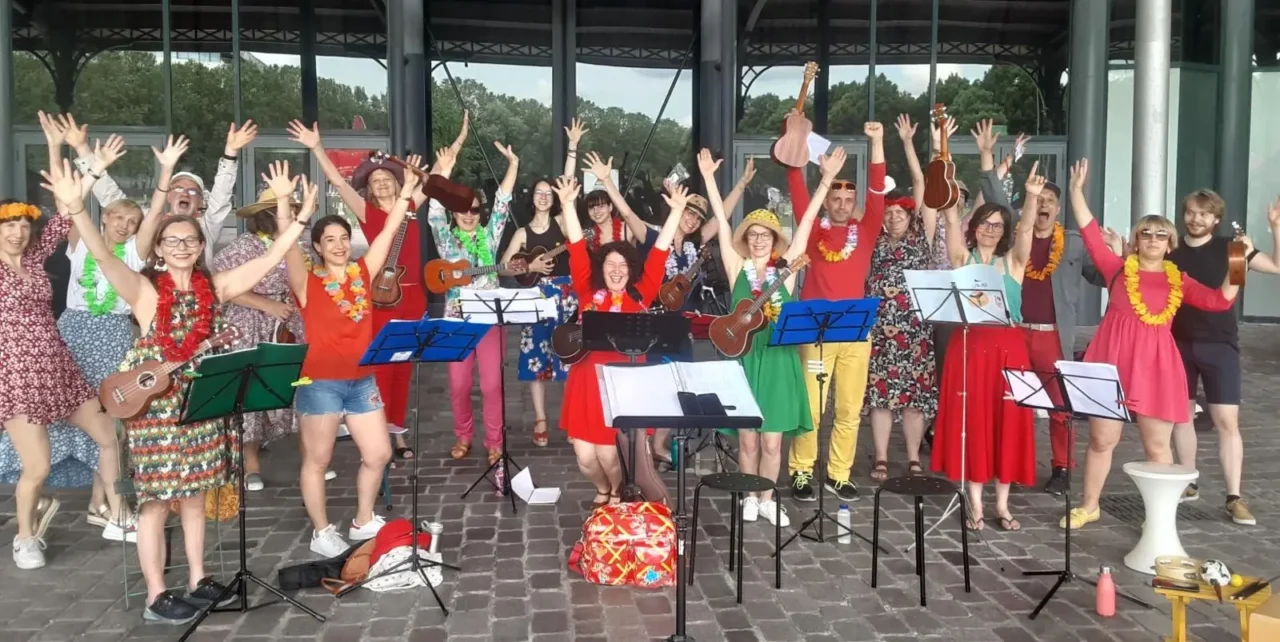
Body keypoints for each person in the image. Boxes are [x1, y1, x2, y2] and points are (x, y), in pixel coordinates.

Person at [48, 155, 316, 623]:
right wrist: (75, 210)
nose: (181, 246)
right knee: (156, 504)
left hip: (201, 402)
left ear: (199, 245)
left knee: (195, 496)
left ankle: (197, 579)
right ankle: (156, 595)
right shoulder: (145, 290)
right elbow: (105, 256)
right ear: (158, 249)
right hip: (155, 411)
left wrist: (294, 215)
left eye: (189, 240)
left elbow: (272, 257)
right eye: (171, 241)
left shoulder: (215, 287)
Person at [1060, 160, 1239, 531]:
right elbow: (1091, 233)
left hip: (1157, 367)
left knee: (1158, 448)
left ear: (1169, 243)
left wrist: (1237, 262)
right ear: (1137, 240)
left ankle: (1158, 519)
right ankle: (1090, 505)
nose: (1153, 240)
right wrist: (1077, 190)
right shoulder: (1117, 269)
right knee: (1100, 440)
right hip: (1111, 361)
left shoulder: (1181, 280)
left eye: (1160, 235)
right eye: (1146, 234)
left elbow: (1221, 301)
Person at [287, 119, 450, 460]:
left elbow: (432, 184)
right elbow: (335, 181)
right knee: (382, 366)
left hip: (413, 294)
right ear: (371, 189)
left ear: (395, 182)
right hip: (381, 297)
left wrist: (442, 167)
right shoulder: (366, 211)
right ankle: (376, 430)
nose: (382, 185)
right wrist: (317, 147)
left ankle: (398, 434)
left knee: (405, 367)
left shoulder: (409, 207)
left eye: (386, 179)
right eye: (375, 182)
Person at [699, 146, 844, 527]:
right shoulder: (736, 268)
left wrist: (826, 179)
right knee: (747, 441)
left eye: (766, 235)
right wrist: (711, 180)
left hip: (779, 361)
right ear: (746, 240)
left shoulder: (787, 270)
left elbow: (808, 223)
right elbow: (721, 220)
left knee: (772, 442)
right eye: (754, 235)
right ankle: (749, 495)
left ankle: (767, 496)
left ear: (775, 240)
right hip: (745, 361)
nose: (760, 240)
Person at [278, 161, 416, 558]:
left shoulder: (362, 272)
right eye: (330, 240)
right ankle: (321, 531)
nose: (338, 245)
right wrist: (288, 204)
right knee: (318, 460)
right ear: (317, 247)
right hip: (319, 383)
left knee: (379, 454)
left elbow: (389, 233)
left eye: (344, 237)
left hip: (362, 381)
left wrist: (406, 194)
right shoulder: (307, 281)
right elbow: (288, 245)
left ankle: (362, 520)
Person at [970, 120, 1103, 496]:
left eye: (1050, 201)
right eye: (1039, 198)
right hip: (1014, 332)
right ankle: (1009, 464)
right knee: (1010, 401)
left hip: (1052, 336)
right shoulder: (1017, 235)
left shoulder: (1074, 244)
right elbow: (994, 195)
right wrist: (985, 155)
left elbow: (1104, 276)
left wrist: (1126, 258)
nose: (1043, 205)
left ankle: (1061, 467)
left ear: (1059, 209)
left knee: (1061, 406)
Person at [557, 173, 687, 506]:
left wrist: (675, 212)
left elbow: (658, 253)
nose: (617, 271)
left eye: (623, 266)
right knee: (586, 458)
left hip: (625, 389)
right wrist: (568, 205)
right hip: (586, 384)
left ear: (631, 270)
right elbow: (575, 247)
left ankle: (616, 494)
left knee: (611, 455)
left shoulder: (640, 295)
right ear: (602, 269)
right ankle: (602, 489)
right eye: (610, 265)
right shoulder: (589, 290)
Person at [933, 163, 1049, 532]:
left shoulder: (1012, 262)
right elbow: (950, 222)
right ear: (976, 227)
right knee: (974, 421)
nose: (990, 230)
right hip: (969, 345)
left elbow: (1028, 228)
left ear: (1004, 232)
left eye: (998, 225)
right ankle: (976, 504)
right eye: (985, 223)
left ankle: (1003, 504)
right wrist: (946, 176)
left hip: (1008, 347)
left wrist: (1030, 198)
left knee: (1007, 422)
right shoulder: (961, 258)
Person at [785, 120, 887, 503]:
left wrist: (877, 142)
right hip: (814, 333)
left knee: (848, 409)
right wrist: (796, 143)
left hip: (856, 335)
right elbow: (796, 183)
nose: (843, 206)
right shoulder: (812, 230)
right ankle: (801, 471)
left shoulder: (867, 229)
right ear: (827, 202)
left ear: (855, 205)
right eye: (836, 200)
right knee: (810, 409)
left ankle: (839, 473)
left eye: (849, 201)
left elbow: (878, 187)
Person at [1166, 190, 1280, 525]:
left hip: (1220, 343)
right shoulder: (1171, 249)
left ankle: (1234, 496)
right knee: (1181, 416)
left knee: (1227, 422)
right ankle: (1188, 482)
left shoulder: (1233, 248)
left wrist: (1275, 227)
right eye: (1190, 212)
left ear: (1216, 219)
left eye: (1204, 214)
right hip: (1177, 342)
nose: (1195, 219)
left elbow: (1275, 266)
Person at [426, 142, 519, 464]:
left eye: (475, 209)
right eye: (462, 209)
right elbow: (434, 211)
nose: (468, 214)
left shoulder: (490, 236)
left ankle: (495, 441)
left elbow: (503, 204)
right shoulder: (446, 239)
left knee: (493, 386)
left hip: (489, 319)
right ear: (455, 212)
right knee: (459, 385)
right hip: (455, 322)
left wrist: (513, 165)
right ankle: (463, 436)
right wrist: (445, 171)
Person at [210, 188, 307, 492]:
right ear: (263, 216)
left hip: (286, 322)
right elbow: (221, 288)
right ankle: (250, 463)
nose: (286, 216)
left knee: (297, 387)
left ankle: (312, 461)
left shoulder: (297, 245)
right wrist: (268, 305)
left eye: (291, 211)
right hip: (248, 322)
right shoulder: (243, 246)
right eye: (281, 211)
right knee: (249, 392)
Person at [64, 113, 255, 263]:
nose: (185, 193)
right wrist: (82, 149)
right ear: (168, 196)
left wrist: (231, 153)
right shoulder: (148, 219)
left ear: (200, 202)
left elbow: (221, 195)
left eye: (193, 191)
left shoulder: (207, 226)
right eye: (178, 188)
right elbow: (110, 195)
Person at [499, 119, 587, 447]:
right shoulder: (522, 232)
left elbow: (568, 182)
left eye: (548, 193)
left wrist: (573, 147)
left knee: (569, 355)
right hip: (534, 299)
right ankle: (540, 418)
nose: (544, 197)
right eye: (538, 193)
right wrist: (530, 265)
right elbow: (505, 269)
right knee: (536, 358)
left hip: (565, 296)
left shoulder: (564, 222)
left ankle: (570, 413)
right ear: (531, 198)